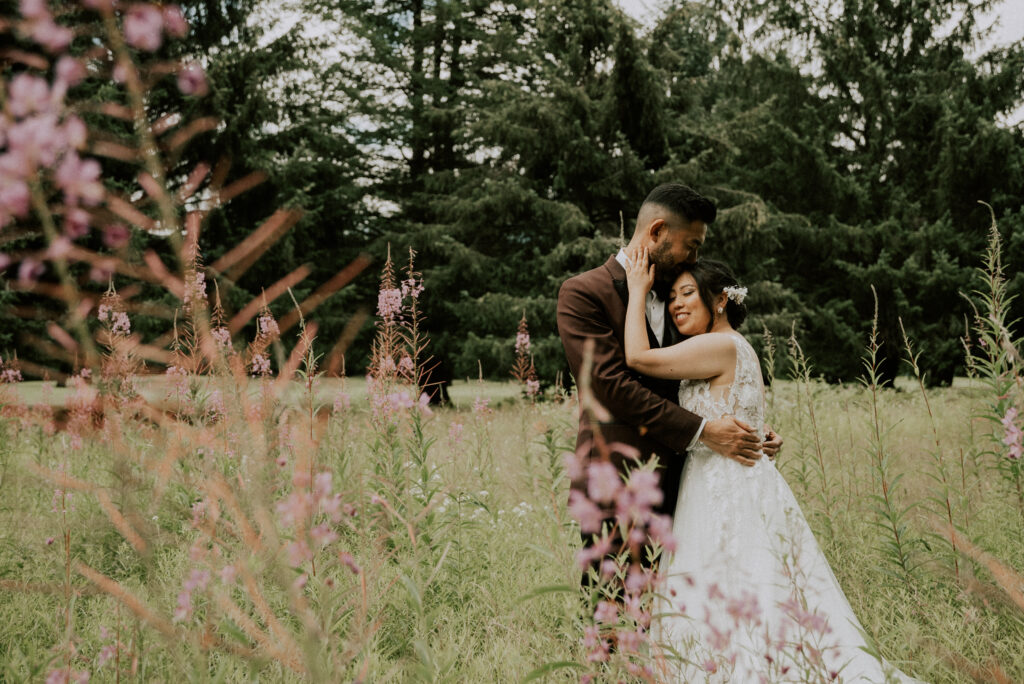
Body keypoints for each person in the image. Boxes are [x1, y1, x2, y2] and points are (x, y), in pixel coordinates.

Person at [622, 250, 923, 682]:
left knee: (732, 583)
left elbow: (636, 357)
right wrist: (764, 434)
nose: (676, 304)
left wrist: (637, 290)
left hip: (721, 486)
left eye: (687, 293)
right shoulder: (738, 348)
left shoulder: (718, 344)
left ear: (720, 299)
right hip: (741, 479)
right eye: (670, 297)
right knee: (755, 584)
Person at [556, 182, 782, 582]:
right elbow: (610, 386)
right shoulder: (584, 293)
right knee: (614, 609)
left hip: (690, 486)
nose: (694, 258)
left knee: (682, 605)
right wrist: (705, 431)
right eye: (691, 246)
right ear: (657, 231)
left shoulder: (683, 302)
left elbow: (707, 374)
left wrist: (746, 426)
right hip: (619, 482)